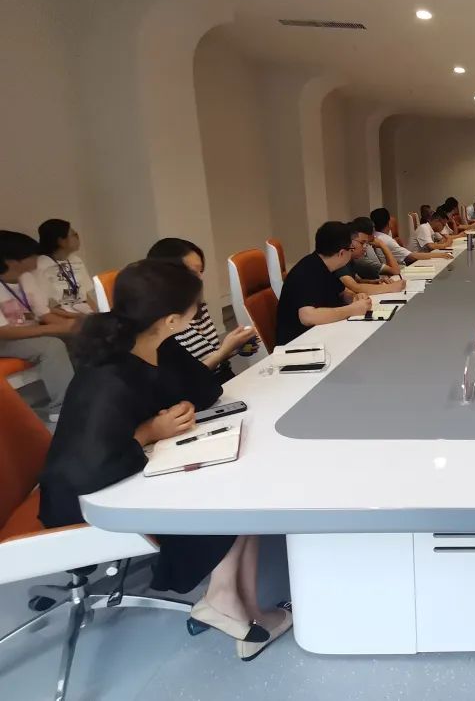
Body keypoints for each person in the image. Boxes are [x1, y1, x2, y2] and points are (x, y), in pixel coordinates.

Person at [37, 259, 291, 659]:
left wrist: (182, 404)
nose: (199, 312)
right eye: (195, 307)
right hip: (84, 498)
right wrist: (149, 432)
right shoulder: (108, 374)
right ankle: (226, 601)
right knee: (230, 492)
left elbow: (204, 391)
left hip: (127, 467)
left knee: (242, 475)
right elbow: (86, 469)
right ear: (172, 319)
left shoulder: (158, 344)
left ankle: (232, 601)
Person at [146, 238, 258, 384]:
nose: (199, 279)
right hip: (200, 391)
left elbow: (208, 356)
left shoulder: (196, 306)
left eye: (200, 271)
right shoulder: (160, 324)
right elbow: (186, 381)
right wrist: (223, 351)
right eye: (192, 272)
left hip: (223, 382)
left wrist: (237, 347)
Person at [0, 230, 75, 420]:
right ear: (11, 261)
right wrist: (56, 329)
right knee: (51, 345)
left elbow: (44, 313)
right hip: (5, 339)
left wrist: (72, 327)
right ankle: (63, 408)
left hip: (31, 330)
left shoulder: (26, 277)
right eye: (31, 255)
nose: (37, 258)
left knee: (80, 336)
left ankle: (85, 391)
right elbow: (4, 332)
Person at [275, 221, 371, 346]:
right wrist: (352, 309)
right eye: (351, 249)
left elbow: (342, 293)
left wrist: (355, 298)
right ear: (342, 253)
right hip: (299, 344)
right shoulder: (306, 271)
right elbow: (308, 317)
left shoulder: (326, 266)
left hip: (321, 335)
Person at [34, 219, 97, 315]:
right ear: (61, 241)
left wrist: (99, 315)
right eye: (74, 235)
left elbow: (84, 295)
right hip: (63, 317)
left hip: (84, 314)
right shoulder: (40, 265)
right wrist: (77, 317)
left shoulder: (76, 260)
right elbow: (46, 307)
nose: (78, 238)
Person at [340, 219, 406, 298]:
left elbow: (358, 281)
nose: (365, 247)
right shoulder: (340, 262)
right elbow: (356, 287)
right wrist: (391, 287)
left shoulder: (351, 260)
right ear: (350, 242)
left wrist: (375, 282)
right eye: (362, 243)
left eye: (366, 243)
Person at [371, 208, 450, 265]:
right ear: (389, 222)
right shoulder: (387, 240)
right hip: (403, 267)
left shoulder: (374, 236)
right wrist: (440, 255)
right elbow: (411, 257)